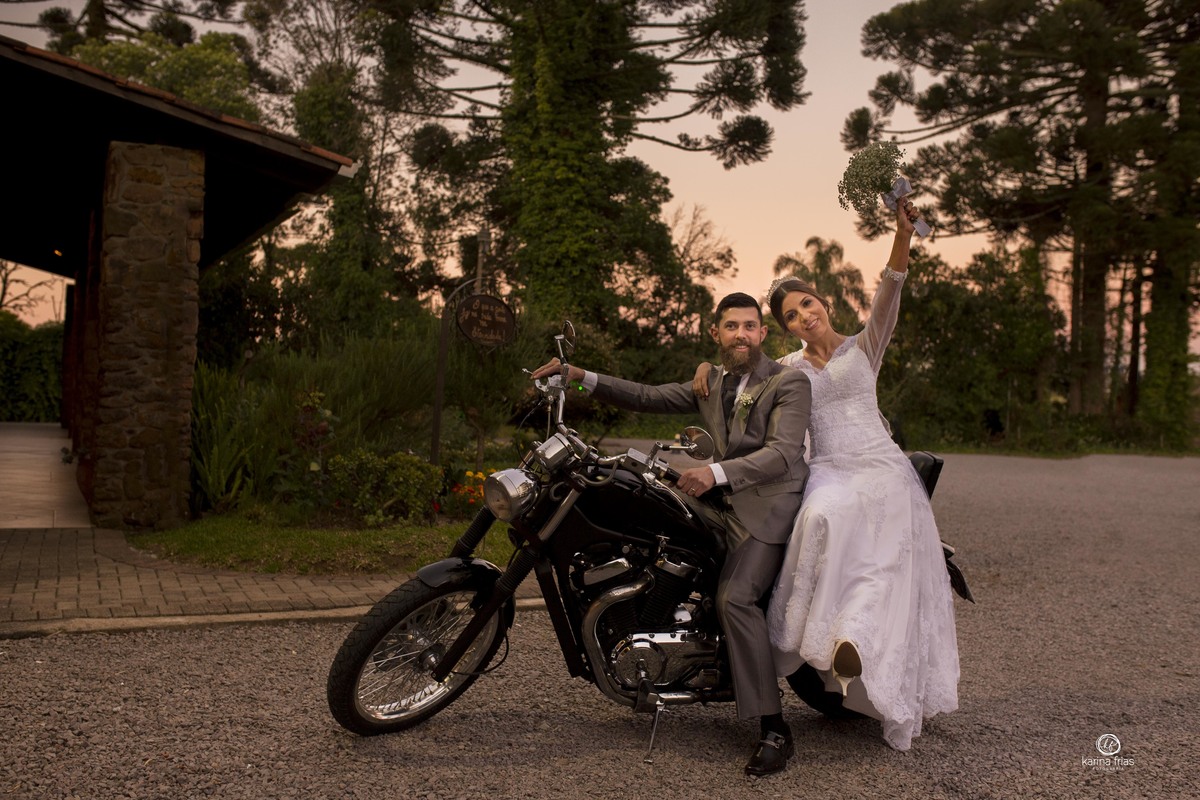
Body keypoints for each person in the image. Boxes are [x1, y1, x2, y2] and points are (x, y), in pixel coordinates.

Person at [693, 199, 960, 750]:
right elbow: (741, 368)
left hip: (881, 468)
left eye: (806, 304)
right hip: (830, 469)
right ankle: (828, 643)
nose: (802, 317)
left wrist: (902, 235)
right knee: (820, 515)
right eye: (790, 316)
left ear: (823, 302)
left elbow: (891, 290)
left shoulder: (865, 347)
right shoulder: (788, 369)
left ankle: (854, 642)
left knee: (878, 561)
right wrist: (706, 367)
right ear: (785, 328)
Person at [531, 293, 812, 776]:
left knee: (735, 599)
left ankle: (773, 727)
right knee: (646, 520)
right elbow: (647, 396)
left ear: (763, 333)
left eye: (750, 326)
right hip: (722, 501)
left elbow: (782, 453)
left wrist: (714, 473)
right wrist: (579, 376)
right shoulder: (712, 381)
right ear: (715, 333)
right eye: (731, 326)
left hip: (768, 508)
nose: (741, 335)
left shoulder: (788, 382)